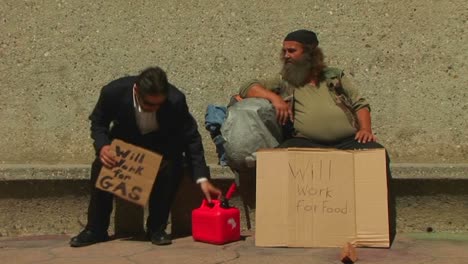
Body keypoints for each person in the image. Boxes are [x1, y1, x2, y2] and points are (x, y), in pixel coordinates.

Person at [239, 29, 395, 240]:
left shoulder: (334, 77)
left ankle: (370, 230)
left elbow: (360, 103)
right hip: (306, 141)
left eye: (292, 51)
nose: (286, 55)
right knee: (275, 160)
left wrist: (365, 129)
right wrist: (275, 99)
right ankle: (280, 231)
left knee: (377, 155)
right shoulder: (285, 79)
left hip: (347, 141)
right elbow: (248, 87)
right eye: (284, 51)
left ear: (310, 53)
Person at [70, 66, 222, 247]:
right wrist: (103, 146)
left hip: (161, 148)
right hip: (126, 147)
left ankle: (156, 229)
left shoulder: (176, 99)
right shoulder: (113, 92)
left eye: (159, 104)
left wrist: (201, 177)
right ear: (136, 91)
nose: (154, 108)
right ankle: (95, 229)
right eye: (149, 104)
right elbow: (98, 122)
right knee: (101, 167)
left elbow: (191, 137)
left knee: (172, 167)